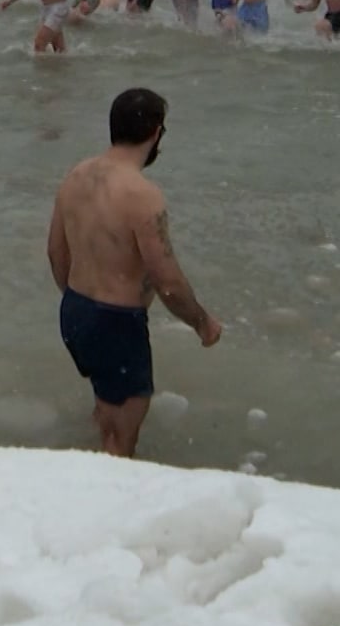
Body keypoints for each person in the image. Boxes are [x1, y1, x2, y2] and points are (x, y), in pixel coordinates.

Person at [47, 88, 220, 458]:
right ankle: (108, 489)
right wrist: (202, 323)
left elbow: (56, 252)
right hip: (116, 323)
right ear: (156, 133)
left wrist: (79, 305)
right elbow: (167, 282)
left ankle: (86, 465)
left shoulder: (76, 175)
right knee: (121, 441)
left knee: (105, 408)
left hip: (75, 313)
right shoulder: (142, 194)